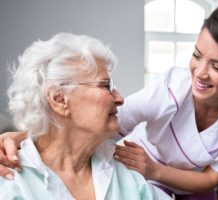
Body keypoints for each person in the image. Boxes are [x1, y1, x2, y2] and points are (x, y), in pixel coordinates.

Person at [0, 0, 218, 199]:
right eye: (197, 56)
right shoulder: (172, 88)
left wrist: (155, 169)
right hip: (140, 168)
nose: (199, 73)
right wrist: (24, 137)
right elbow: (92, 123)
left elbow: (210, 180)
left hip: (188, 185)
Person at [0, 33, 171, 200]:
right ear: (59, 99)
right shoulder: (9, 180)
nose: (120, 98)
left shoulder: (124, 170)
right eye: (105, 86)